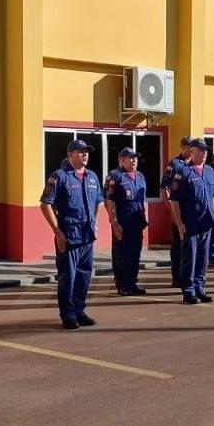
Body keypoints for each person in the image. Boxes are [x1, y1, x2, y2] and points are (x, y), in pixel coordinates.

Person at [40, 138, 105, 330]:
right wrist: (57, 231)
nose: (85, 154)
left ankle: (79, 310)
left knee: (84, 275)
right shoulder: (59, 176)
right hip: (68, 235)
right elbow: (45, 204)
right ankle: (67, 314)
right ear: (70, 155)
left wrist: (95, 223)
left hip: (87, 236)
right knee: (68, 277)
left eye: (86, 151)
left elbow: (98, 202)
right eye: (80, 151)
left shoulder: (92, 176)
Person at [169, 139, 214, 304]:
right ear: (191, 152)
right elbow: (174, 201)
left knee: (203, 259)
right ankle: (188, 290)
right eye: (200, 150)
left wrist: (212, 216)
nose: (204, 153)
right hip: (190, 222)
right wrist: (179, 223)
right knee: (190, 258)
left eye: (206, 150)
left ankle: (200, 288)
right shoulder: (182, 172)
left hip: (206, 222)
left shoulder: (210, 171)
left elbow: (212, 196)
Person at [104, 147, 148, 296]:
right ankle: (122, 285)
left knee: (135, 255)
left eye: (135, 158)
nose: (134, 160)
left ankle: (132, 283)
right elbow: (110, 201)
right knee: (122, 255)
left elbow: (142, 200)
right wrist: (114, 222)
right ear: (122, 160)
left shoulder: (140, 176)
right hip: (123, 222)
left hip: (137, 222)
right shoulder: (115, 176)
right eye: (130, 158)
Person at [160, 136, 193, 288]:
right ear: (183, 147)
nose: (191, 150)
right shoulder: (175, 164)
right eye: (188, 147)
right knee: (178, 247)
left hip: (192, 215)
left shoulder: (195, 165)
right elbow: (164, 188)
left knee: (190, 247)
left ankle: (189, 277)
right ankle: (177, 278)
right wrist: (171, 210)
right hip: (177, 212)